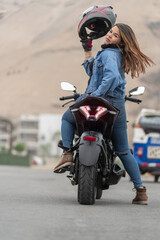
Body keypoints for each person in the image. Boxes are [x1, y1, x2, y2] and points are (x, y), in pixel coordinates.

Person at [54, 23, 154, 205]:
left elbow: (113, 77)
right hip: (116, 105)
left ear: (121, 42)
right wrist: (87, 50)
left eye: (115, 35)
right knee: (123, 150)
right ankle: (141, 192)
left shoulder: (109, 54)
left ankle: (68, 153)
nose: (109, 36)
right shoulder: (113, 54)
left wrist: (97, 94)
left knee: (67, 119)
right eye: (110, 32)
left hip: (98, 99)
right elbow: (92, 72)